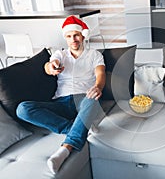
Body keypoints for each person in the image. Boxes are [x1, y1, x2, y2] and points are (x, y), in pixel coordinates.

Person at [16, 15, 106, 174]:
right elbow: (48, 66)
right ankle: (77, 128)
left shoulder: (95, 55)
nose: (73, 39)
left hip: (83, 100)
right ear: (65, 38)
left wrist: (98, 87)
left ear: (82, 35)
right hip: (60, 103)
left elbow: (100, 74)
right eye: (69, 36)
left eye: (76, 35)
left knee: (92, 100)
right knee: (22, 109)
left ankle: (65, 148)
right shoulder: (60, 54)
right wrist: (52, 67)